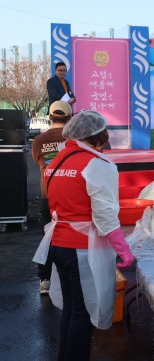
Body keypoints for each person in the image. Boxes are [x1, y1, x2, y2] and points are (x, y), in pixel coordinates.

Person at [32, 110, 134, 361]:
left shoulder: (57, 161)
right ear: (98, 139)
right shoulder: (97, 165)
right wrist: (124, 250)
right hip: (80, 248)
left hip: (58, 244)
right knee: (82, 313)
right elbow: (105, 215)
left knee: (71, 310)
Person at [32, 100, 73, 295]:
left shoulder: (39, 140)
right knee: (72, 236)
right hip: (72, 196)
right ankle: (71, 277)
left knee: (47, 237)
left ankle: (45, 280)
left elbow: (37, 161)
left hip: (47, 196)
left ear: (50, 117)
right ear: (70, 118)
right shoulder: (75, 138)